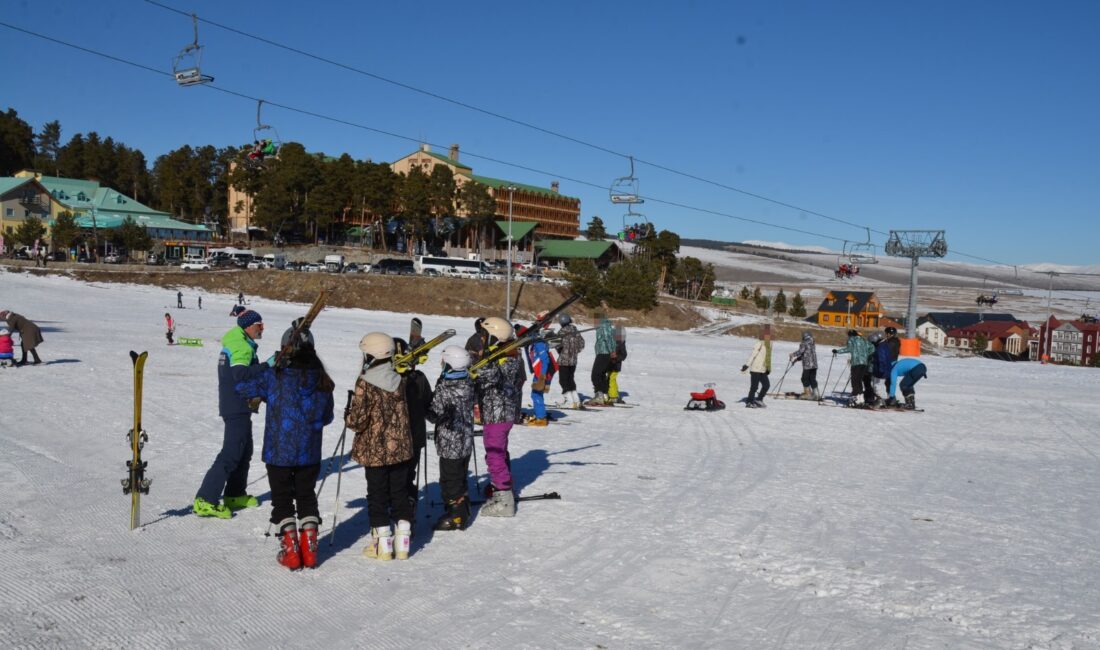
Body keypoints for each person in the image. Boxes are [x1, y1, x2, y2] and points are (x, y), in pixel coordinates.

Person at [234, 326, 334, 570]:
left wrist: (269, 366)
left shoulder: (275, 376)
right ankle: (309, 551)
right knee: (306, 496)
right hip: (309, 452)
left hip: (279, 451)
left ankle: (291, 551)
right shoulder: (320, 378)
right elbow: (327, 416)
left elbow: (242, 388)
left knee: (282, 500)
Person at [345, 332, 414, 561]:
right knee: (399, 492)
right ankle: (403, 543)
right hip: (400, 448)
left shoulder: (366, 381)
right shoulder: (399, 379)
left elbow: (358, 421)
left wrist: (348, 415)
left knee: (377, 495)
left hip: (375, 450)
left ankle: (382, 546)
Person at [193, 309, 267, 519]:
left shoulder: (239, 342)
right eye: (259, 325)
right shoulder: (241, 345)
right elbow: (240, 374)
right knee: (231, 453)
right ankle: (205, 500)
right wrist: (266, 366)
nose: (262, 329)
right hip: (236, 407)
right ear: (248, 326)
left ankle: (235, 494)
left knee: (244, 451)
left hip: (239, 406)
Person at [473, 316, 523, 517]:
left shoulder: (507, 357)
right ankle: (500, 485)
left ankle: (504, 500)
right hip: (500, 412)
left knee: (494, 455)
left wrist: (477, 363)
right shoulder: (503, 353)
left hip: (498, 414)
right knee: (498, 453)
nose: (482, 339)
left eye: (485, 335)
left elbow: (489, 374)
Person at [426, 346, 476, 531]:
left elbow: (434, 413)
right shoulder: (468, 382)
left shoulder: (446, 388)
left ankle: (457, 515)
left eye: (443, 361)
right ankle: (462, 507)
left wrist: (424, 407)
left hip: (450, 442)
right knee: (460, 476)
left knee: (449, 480)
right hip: (465, 439)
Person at [392, 337, 433, 525]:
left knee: (400, 478)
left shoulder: (416, 378)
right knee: (406, 477)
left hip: (403, 438)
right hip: (410, 437)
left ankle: (405, 514)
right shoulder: (415, 378)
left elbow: (428, 405)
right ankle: (406, 509)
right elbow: (429, 406)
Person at [524, 313, 556, 426]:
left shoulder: (539, 343)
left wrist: (542, 377)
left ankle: (541, 418)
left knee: (536, 394)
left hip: (542, 372)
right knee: (538, 394)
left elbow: (545, 360)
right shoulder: (535, 341)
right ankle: (540, 414)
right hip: (540, 371)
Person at [833, 329, 876, 407]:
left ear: (850, 335)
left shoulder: (851, 339)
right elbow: (872, 347)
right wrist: (866, 355)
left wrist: (837, 351)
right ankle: (860, 398)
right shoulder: (864, 340)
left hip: (856, 363)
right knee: (859, 380)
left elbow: (848, 349)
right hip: (864, 363)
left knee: (854, 380)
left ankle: (855, 397)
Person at [553, 313, 585, 408]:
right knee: (570, 379)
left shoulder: (561, 332)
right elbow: (582, 344)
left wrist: (559, 349)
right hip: (573, 360)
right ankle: (576, 400)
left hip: (564, 360)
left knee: (563, 380)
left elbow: (557, 345)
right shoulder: (576, 331)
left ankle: (570, 401)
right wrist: (575, 352)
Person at [586, 315, 615, 406]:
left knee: (596, 375)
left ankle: (599, 396)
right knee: (601, 374)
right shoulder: (605, 326)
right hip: (604, 353)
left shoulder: (604, 326)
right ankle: (605, 395)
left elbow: (608, 339)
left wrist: (611, 351)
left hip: (604, 352)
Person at [741, 324, 772, 408]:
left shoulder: (769, 344)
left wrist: (769, 367)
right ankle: (749, 402)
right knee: (754, 387)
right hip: (755, 368)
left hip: (763, 369)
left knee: (766, 385)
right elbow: (753, 355)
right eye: (766, 333)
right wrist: (747, 365)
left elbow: (768, 357)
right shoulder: (759, 343)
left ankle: (759, 399)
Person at [789, 331, 819, 399]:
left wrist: (792, 355)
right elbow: (806, 354)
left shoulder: (804, 343)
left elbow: (801, 351)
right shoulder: (812, 343)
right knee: (812, 379)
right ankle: (816, 394)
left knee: (804, 379)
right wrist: (797, 359)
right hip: (814, 365)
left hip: (808, 365)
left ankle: (808, 394)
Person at [607, 325, 628, 404]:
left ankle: (614, 396)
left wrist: (616, 356)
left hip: (616, 365)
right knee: (608, 379)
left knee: (611, 379)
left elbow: (624, 355)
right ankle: (609, 393)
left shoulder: (621, 343)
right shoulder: (610, 341)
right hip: (608, 364)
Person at [883, 326, 901, 395]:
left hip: (890, 362)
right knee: (889, 380)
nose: (886, 335)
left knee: (889, 381)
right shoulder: (896, 341)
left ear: (889, 334)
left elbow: (886, 351)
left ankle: (890, 396)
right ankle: (890, 395)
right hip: (893, 361)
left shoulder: (891, 342)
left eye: (886, 334)